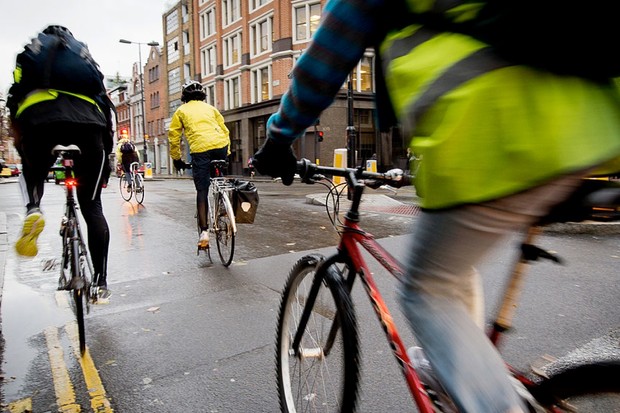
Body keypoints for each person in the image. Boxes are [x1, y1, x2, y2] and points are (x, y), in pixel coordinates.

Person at [252, 1, 620, 412]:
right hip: (588, 126)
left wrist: (277, 142)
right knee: (453, 264)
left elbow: (322, 64)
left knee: (426, 291)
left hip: (491, 130)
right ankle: (458, 373)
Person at [7, 25, 114, 301]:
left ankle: (33, 208)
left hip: (40, 122)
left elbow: (14, 97)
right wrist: (106, 161)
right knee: (92, 207)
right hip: (89, 127)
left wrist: (24, 148)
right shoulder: (84, 59)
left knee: (31, 172)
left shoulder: (32, 54)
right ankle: (101, 284)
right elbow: (105, 106)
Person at [168, 80, 230, 249]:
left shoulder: (181, 111)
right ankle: (223, 205)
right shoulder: (211, 109)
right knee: (218, 178)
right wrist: (227, 153)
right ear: (202, 95)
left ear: (184, 97)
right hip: (221, 147)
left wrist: (176, 159)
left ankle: (204, 233)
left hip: (200, 150)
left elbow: (174, 137)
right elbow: (225, 130)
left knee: (202, 190)